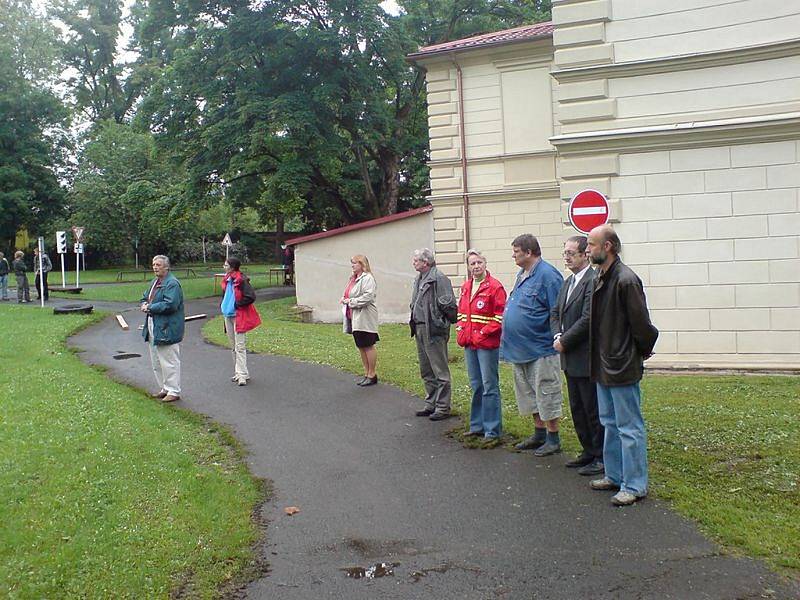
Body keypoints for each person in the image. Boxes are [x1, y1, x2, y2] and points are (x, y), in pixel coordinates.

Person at [587, 225, 659, 506]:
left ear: (608, 247)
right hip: (604, 362)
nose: (588, 249)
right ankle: (615, 475)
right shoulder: (600, 277)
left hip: (621, 363)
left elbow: (642, 325)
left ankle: (635, 484)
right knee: (609, 423)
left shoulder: (626, 280)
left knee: (629, 427)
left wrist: (640, 352)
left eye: (592, 244)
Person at [500, 234, 564, 456]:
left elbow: (557, 311)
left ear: (529, 252)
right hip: (520, 349)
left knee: (546, 392)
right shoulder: (522, 274)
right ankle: (538, 433)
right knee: (529, 395)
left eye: (516, 251)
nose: (513, 255)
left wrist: (556, 337)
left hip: (541, 348)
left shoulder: (548, 275)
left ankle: (553, 437)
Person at [551, 236, 604, 476]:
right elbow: (555, 312)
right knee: (577, 407)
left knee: (591, 407)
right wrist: (556, 336)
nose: (567, 257)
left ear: (585, 254)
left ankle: (600, 455)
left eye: (572, 252)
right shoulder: (567, 282)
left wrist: (565, 340)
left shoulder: (593, 281)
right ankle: (587, 450)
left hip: (585, 355)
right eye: (565, 253)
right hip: (568, 357)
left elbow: (588, 318)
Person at [456, 249, 506, 445]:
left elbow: (500, 317)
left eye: (479, 263)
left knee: (489, 386)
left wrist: (483, 332)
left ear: (485, 264)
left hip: (487, 345)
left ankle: (492, 430)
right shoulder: (466, 287)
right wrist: (461, 330)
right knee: (476, 385)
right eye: (472, 264)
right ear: (468, 267)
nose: (476, 266)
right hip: (470, 343)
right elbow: (461, 312)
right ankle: (477, 425)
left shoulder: (495, 287)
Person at [409, 248, 457, 421]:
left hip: (434, 329)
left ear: (426, 262)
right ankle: (431, 402)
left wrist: (441, 323)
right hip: (420, 327)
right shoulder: (419, 278)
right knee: (426, 368)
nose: (413, 263)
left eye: (416, 260)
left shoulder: (439, 278)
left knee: (439, 369)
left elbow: (449, 305)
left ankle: (443, 407)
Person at [140, 255, 185, 402]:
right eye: (153, 264)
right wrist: (143, 304)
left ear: (166, 267)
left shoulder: (172, 283)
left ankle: (174, 390)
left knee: (169, 359)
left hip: (167, 326)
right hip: (154, 323)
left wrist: (150, 307)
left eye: (158, 264)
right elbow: (145, 296)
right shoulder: (155, 282)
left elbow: (171, 304)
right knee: (156, 360)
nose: (155, 267)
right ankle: (164, 388)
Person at [220, 257, 262, 386]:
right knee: (233, 346)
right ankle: (238, 372)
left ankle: (242, 375)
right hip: (228, 315)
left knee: (240, 346)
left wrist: (237, 305)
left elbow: (250, 296)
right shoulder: (227, 280)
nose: (224, 267)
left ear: (232, 267)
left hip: (238, 316)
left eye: (226, 265)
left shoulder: (242, 280)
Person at [340, 255, 379, 386]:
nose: (352, 266)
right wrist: (345, 299)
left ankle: (372, 374)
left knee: (368, 345)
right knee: (361, 346)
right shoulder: (353, 279)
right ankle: (366, 372)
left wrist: (351, 302)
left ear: (362, 264)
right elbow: (350, 293)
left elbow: (367, 297)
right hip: (355, 317)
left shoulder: (368, 278)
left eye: (355, 263)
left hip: (365, 317)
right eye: (352, 263)